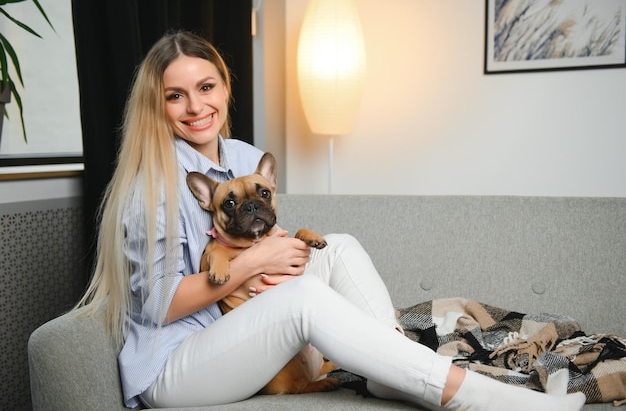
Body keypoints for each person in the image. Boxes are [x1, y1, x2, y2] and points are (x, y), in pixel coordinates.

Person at [76, 30, 586, 411]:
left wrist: (273, 257)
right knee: (302, 301)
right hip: (177, 364)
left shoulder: (242, 156)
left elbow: (270, 247)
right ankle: (471, 395)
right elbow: (161, 306)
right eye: (175, 95)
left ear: (225, 87)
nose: (195, 106)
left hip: (235, 332)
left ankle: (388, 371)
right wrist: (257, 261)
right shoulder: (154, 184)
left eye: (205, 86)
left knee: (338, 245)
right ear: (156, 105)